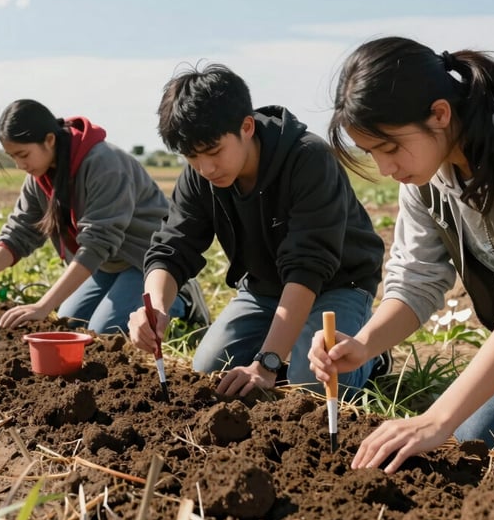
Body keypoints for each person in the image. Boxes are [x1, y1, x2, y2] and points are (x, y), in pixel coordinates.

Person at [309, 36, 494, 475]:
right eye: (372, 153)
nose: (386, 169)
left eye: (390, 148)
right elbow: (416, 280)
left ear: (440, 114)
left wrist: (436, 417)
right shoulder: (424, 175)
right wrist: (363, 345)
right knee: (472, 437)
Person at [128, 63, 385, 398]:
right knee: (210, 370)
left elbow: (308, 267)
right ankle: (286, 344)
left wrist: (266, 364)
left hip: (336, 285)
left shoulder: (308, 159)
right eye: (192, 157)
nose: (206, 168)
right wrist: (156, 306)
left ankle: (372, 353)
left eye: (214, 151)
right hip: (264, 289)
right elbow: (173, 246)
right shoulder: (199, 176)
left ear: (246, 127)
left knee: (311, 385)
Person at [0, 99, 203, 334]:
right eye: (13, 157)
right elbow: (21, 230)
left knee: (105, 331)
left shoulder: (104, 164)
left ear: (49, 140)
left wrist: (43, 306)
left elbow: (98, 243)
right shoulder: (40, 177)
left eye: (23, 154)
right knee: (70, 322)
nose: (20, 165)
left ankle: (180, 298)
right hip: (107, 265)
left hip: (144, 258)